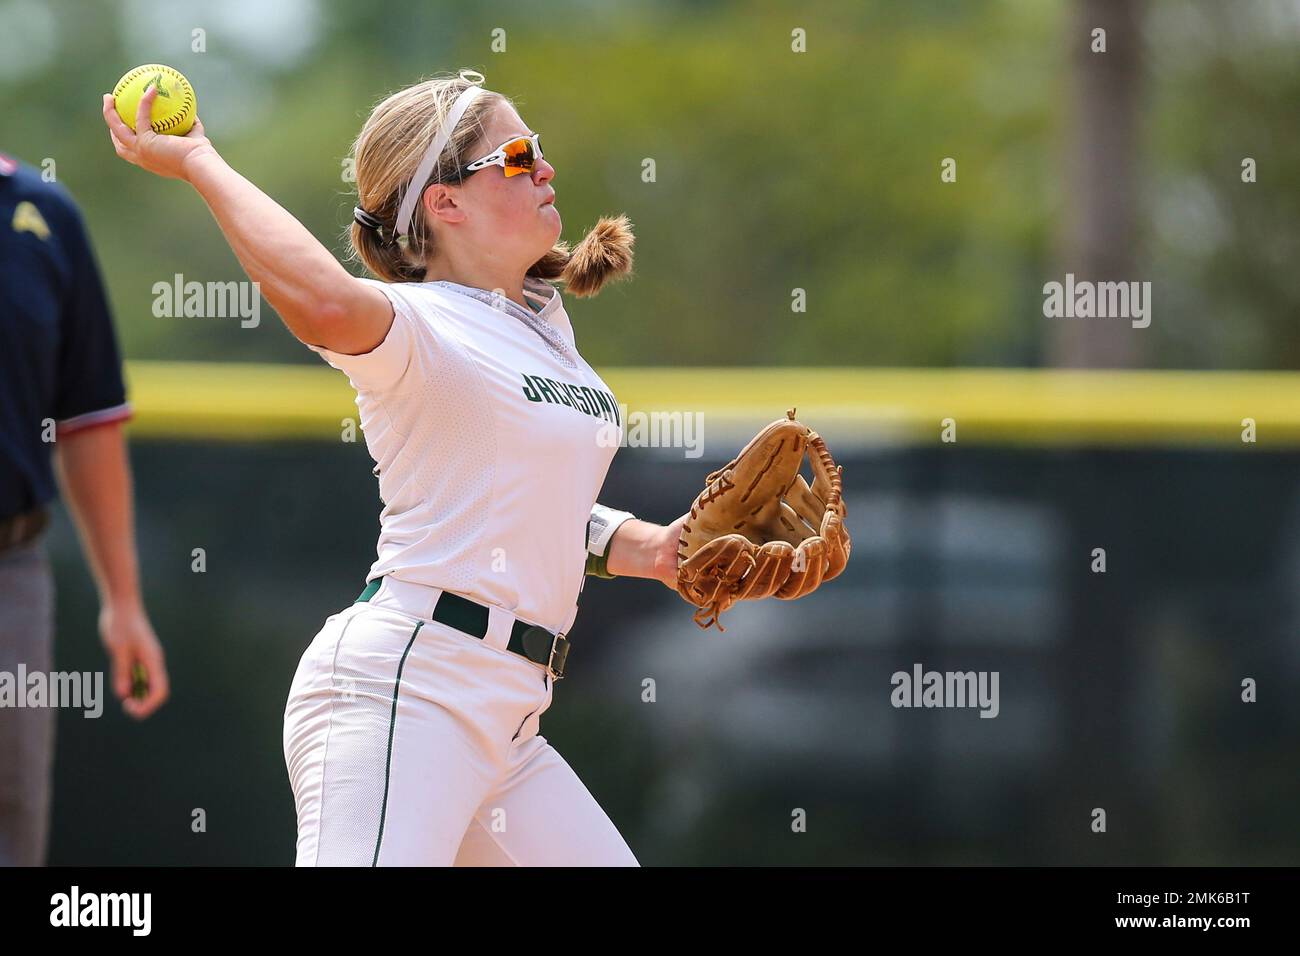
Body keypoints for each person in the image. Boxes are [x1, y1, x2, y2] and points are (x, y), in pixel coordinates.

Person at [102, 68, 686, 865]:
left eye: (538, 150)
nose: (545, 167)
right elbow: (326, 302)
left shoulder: (542, 331)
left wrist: (647, 550)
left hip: (509, 722)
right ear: (443, 204)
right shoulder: (419, 323)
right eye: (517, 157)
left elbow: (511, 499)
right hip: (409, 690)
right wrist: (201, 157)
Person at [0, 151, 170, 867]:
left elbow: (89, 418)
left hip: (9, 573)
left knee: (10, 827)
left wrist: (123, 601)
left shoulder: (43, 214)